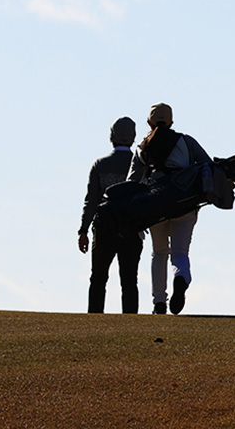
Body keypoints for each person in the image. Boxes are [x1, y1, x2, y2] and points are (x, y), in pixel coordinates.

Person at [127, 102, 212, 315]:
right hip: (184, 204)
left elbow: (132, 181)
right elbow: (207, 165)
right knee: (180, 252)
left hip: (155, 206)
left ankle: (159, 302)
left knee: (158, 253)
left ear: (149, 122)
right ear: (172, 121)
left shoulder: (142, 147)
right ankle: (181, 276)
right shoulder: (186, 141)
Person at [78, 117, 144, 314]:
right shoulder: (141, 165)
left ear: (111, 136)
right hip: (132, 229)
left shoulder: (100, 164)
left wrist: (83, 230)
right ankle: (131, 323)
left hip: (104, 228)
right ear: (132, 138)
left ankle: (94, 320)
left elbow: (91, 201)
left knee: (98, 278)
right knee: (129, 280)